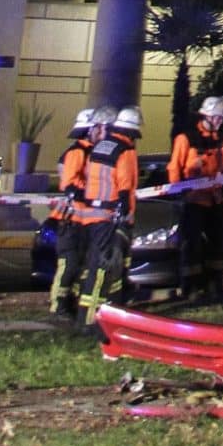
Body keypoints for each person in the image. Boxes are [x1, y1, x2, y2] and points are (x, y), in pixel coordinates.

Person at [76, 106, 141, 336]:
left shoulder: (101, 147)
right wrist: (123, 207)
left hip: (92, 213)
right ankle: (93, 318)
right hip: (110, 214)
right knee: (104, 267)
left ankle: (93, 313)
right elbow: (125, 183)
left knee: (96, 265)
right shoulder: (125, 151)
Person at [168, 96, 223, 299]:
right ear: (206, 115)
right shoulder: (186, 138)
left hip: (216, 199)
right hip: (193, 201)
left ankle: (215, 283)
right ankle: (191, 287)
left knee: (219, 242)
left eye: (222, 119)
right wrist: (179, 192)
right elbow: (174, 168)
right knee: (191, 244)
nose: (219, 122)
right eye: (216, 118)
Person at [49, 108, 95, 318]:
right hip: (72, 219)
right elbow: (69, 184)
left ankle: (71, 302)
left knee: (82, 264)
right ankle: (58, 305)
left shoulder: (93, 152)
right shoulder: (77, 152)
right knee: (69, 264)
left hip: (85, 220)